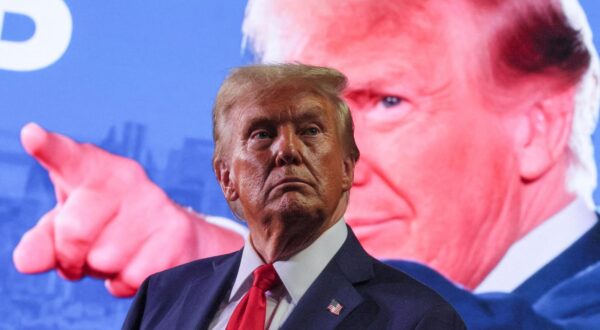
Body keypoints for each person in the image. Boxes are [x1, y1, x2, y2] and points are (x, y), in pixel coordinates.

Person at [12, 0, 600, 327]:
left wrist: (205, 246)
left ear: (537, 125)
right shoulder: (168, 301)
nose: (311, 155)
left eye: (388, 101)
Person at [122, 63, 465, 329]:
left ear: (347, 167)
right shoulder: (161, 297)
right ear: (226, 176)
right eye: (262, 134)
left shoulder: (419, 320)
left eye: (310, 131)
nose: (287, 150)